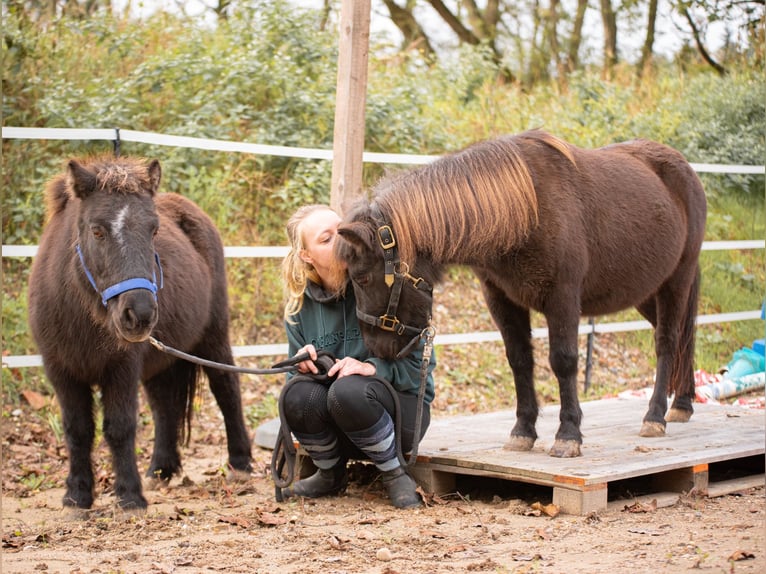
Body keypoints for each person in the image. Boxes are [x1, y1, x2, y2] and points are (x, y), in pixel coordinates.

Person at [278, 204, 436, 509]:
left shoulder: (386, 286)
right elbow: (295, 391)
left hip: (399, 417)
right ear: (306, 256)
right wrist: (303, 368)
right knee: (295, 394)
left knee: (349, 389)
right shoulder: (298, 309)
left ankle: (394, 474)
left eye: (343, 231)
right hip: (340, 426)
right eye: (326, 239)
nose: (341, 242)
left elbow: (420, 368)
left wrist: (371, 367)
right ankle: (330, 473)